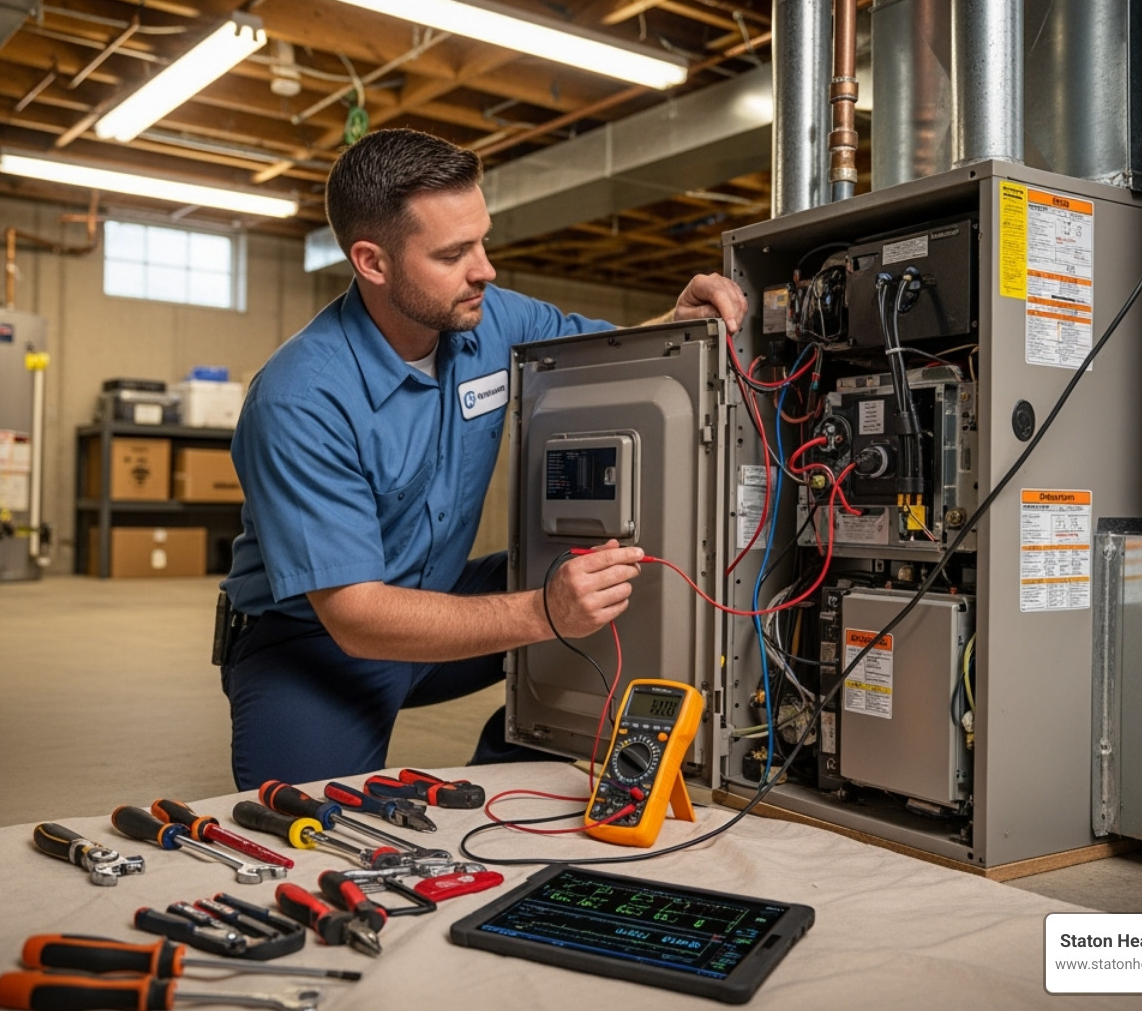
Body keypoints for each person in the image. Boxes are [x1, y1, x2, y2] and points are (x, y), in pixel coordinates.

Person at [219, 127, 747, 789]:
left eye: (483, 240)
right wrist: (541, 614)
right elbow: (354, 615)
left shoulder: (489, 318)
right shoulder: (300, 398)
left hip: (436, 596)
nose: (485, 269)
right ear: (372, 262)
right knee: (304, 824)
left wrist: (677, 319)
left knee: (602, 576)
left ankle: (513, 756)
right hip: (314, 642)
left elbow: (606, 358)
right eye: (453, 252)